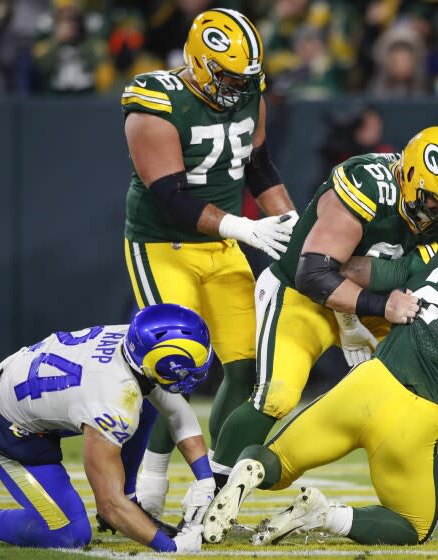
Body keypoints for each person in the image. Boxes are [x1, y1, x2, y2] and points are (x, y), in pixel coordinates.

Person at [210, 125, 438, 542]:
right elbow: (315, 273)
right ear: (411, 178)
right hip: (303, 294)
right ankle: (209, 495)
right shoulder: (367, 185)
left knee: (429, 384)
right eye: (435, 203)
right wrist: (379, 306)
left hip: (378, 298)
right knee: (276, 395)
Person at [120, 7, 298, 516]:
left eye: (245, 78)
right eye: (227, 75)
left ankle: (215, 484)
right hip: (162, 244)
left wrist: (290, 227)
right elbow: (170, 196)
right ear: (197, 63)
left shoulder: (248, 94)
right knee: (172, 364)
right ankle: (148, 484)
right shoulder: (154, 102)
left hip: (223, 246)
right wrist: (245, 228)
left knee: (246, 370)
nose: (237, 87)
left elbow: (260, 169)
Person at [0, 304, 212, 553]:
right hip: (7, 428)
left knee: (148, 400)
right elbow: (108, 504)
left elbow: (175, 411)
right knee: (68, 534)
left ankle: (131, 499)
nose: (200, 365)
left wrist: (205, 480)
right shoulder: (114, 400)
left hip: (28, 387)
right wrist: (171, 548)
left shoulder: (131, 338)